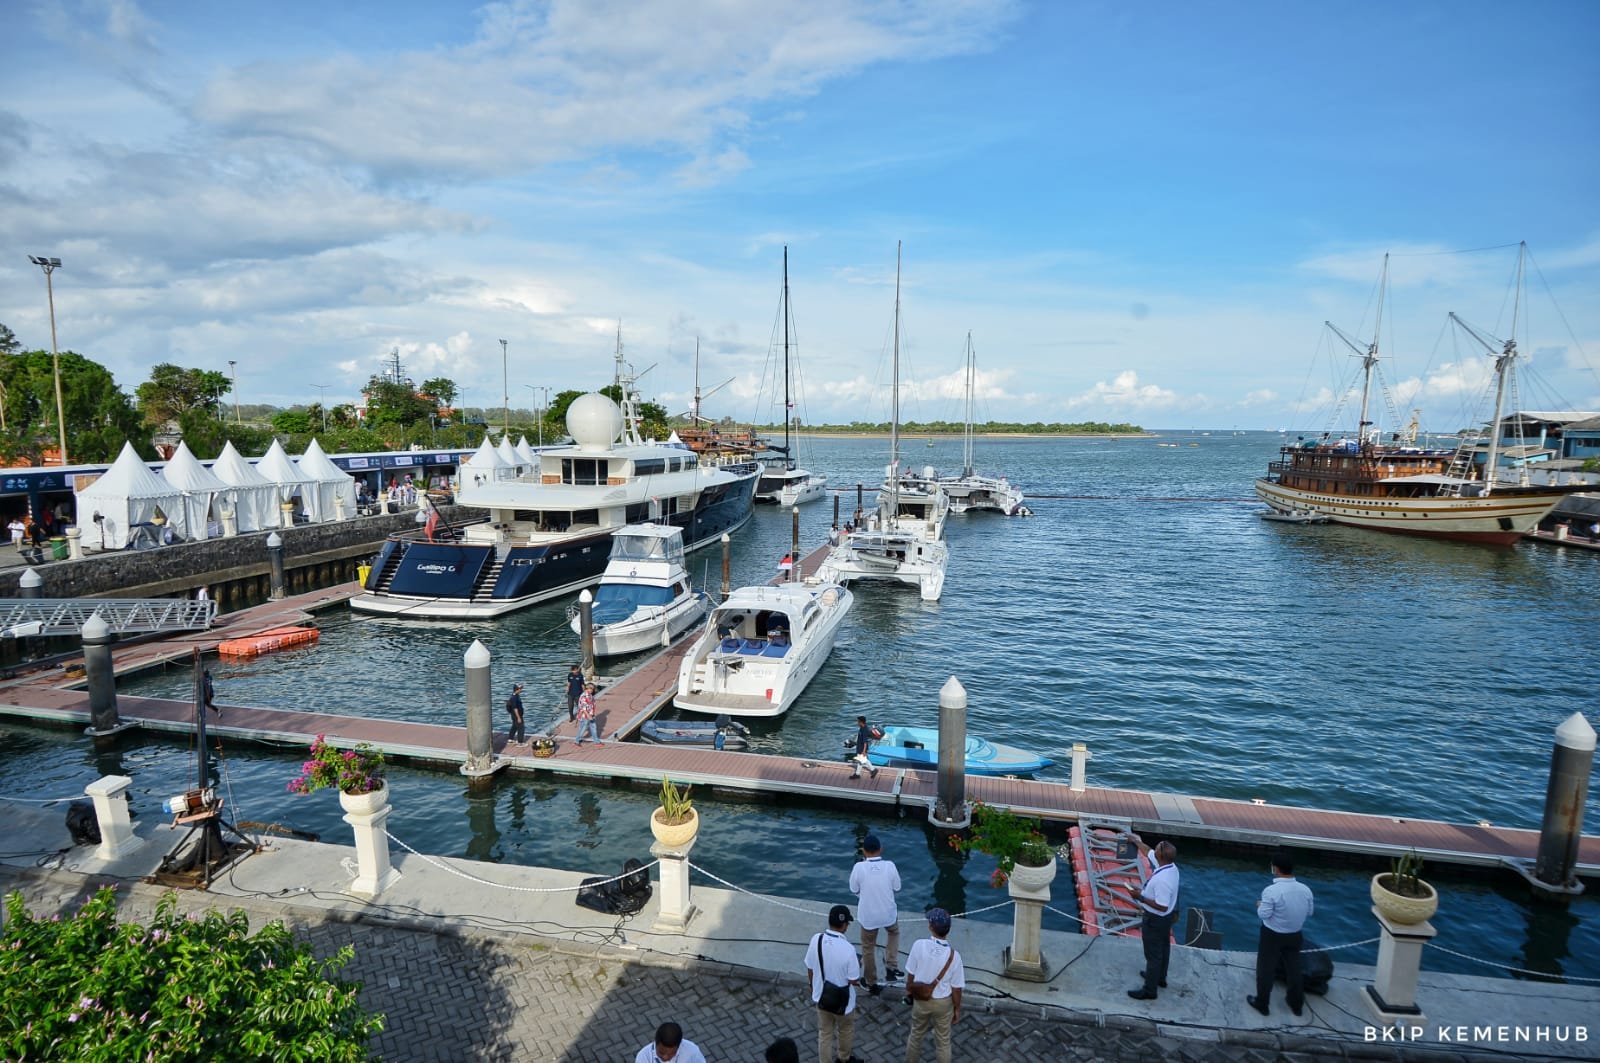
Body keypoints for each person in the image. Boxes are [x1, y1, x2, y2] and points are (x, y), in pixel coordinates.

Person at [1249, 849, 1314, 1017]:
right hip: (1295, 935)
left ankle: (1262, 1003)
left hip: (1272, 935)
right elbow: (1310, 912)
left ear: (1276, 869)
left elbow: (1263, 914)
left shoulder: (1271, 891)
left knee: (1265, 969)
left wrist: (1260, 905)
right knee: (1294, 968)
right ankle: (1296, 1004)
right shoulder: (1305, 889)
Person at [904, 907, 965, 1063]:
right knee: (943, 1042)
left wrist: (909, 992)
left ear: (931, 926)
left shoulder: (919, 945)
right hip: (943, 1003)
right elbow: (956, 989)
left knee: (916, 1035)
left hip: (921, 1000)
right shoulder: (955, 956)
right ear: (948, 930)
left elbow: (910, 974)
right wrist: (957, 1008)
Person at [803, 904, 861, 1063]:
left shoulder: (816, 939)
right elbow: (853, 979)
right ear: (844, 926)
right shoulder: (849, 950)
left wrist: (813, 987)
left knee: (824, 1033)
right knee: (845, 1031)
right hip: (844, 1003)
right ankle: (843, 1058)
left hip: (821, 997)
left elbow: (810, 967)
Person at [1126, 834, 1180, 1001]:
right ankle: (1159, 978)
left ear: (1160, 856)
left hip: (1156, 919)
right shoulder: (1171, 867)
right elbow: (1147, 851)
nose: (1154, 848)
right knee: (1164, 948)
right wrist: (1135, 841)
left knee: (1153, 954)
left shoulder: (1163, 881)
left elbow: (1162, 905)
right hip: (1166, 919)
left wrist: (1139, 896)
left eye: (1158, 848)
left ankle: (1150, 990)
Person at [849, 834, 902, 993]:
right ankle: (891, 967)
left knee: (868, 948)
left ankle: (870, 981)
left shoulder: (859, 867)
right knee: (894, 933)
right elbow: (897, 887)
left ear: (864, 851)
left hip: (868, 917)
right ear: (881, 849)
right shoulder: (890, 866)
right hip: (888, 914)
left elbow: (854, 889)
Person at [633, 1021, 706, 1063]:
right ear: (655, 1042)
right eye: (661, 1052)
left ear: (679, 1045)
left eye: (672, 1053)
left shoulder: (692, 1051)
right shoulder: (643, 1057)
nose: (665, 1058)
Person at [849, 715, 878, 780]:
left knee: (863, 760)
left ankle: (873, 770)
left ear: (861, 722)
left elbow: (865, 742)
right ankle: (858, 774)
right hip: (860, 746)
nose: (857, 723)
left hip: (862, 748)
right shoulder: (861, 728)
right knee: (860, 760)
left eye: (858, 721)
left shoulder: (864, 730)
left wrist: (864, 751)